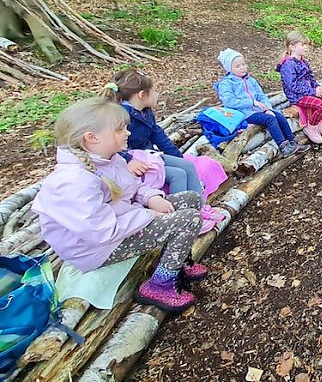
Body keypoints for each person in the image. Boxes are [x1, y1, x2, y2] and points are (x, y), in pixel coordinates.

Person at [31, 97, 207, 312]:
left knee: (191, 199)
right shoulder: (74, 181)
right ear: (92, 138)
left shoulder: (112, 160)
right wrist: (150, 216)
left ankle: (175, 261)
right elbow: (102, 232)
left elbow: (134, 187)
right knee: (189, 220)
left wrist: (151, 198)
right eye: (120, 129)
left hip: (122, 222)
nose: (128, 133)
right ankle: (160, 285)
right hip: (97, 248)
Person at [101, 70, 226, 230]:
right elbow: (113, 146)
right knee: (178, 174)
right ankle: (181, 217)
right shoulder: (121, 116)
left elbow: (159, 136)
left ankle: (199, 208)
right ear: (141, 94)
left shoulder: (145, 112)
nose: (157, 94)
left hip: (149, 156)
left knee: (187, 166)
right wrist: (129, 161)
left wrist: (179, 158)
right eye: (154, 90)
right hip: (135, 163)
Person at [216, 48, 308, 156]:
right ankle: (283, 146)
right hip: (243, 113)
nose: (242, 68)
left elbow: (261, 95)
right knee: (270, 119)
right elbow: (229, 102)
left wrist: (268, 108)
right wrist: (251, 102)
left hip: (258, 110)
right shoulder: (226, 83)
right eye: (237, 66)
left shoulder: (250, 80)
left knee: (279, 116)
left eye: (243, 64)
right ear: (229, 69)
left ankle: (293, 141)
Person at [277, 31, 322, 144]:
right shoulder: (287, 65)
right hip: (298, 96)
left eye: (306, 44)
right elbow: (292, 86)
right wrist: (313, 92)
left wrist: (317, 87)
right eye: (302, 45)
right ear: (292, 47)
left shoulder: (303, 62)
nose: (306, 47)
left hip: (310, 91)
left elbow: (311, 78)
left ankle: (321, 121)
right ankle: (311, 126)